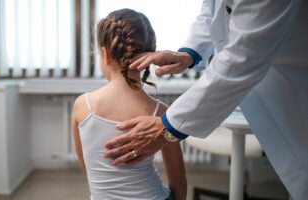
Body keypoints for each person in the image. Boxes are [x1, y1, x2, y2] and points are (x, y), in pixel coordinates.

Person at [103, 1, 308, 199]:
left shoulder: (82, 106)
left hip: (293, 83)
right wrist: (189, 53)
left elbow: (243, 58)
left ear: (105, 54)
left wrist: (168, 125)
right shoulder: (157, 109)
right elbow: (213, 12)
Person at [71, 8, 187, 200]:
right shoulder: (161, 113)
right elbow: (179, 182)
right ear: (150, 56)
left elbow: (88, 166)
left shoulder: (83, 106)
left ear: (105, 54)